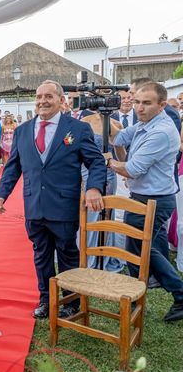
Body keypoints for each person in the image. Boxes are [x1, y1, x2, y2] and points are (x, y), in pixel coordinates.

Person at [0, 80, 106, 319]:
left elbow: (96, 161)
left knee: (67, 252)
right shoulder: (23, 131)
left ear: (61, 100)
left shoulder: (77, 129)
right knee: (41, 254)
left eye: (49, 96)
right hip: (34, 205)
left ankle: (71, 300)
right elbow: (13, 167)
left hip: (63, 205)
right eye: (38, 96)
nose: (42, 101)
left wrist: (94, 188)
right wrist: (2, 193)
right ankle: (45, 299)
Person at [107, 82, 183, 322]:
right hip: (145, 197)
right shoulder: (145, 123)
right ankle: (143, 290)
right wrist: (102, 117)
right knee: (143, 249)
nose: (139, 107)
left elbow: (133, 169)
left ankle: (177, 293)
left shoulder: (160, 131)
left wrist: (108, 161)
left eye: (146, 103)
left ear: (161, 106)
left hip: (155, 200)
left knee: (141, 250)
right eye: (137, 102)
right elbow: (118, 137)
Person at [79, 112, 124, 272]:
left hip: (108, 174)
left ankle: (103, 256)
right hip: (86, 173)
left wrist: (118, 165)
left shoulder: (116, 124)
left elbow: (121, 154)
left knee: (105, 214)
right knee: (87, 214)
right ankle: (86, 254)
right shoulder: (84, 122)